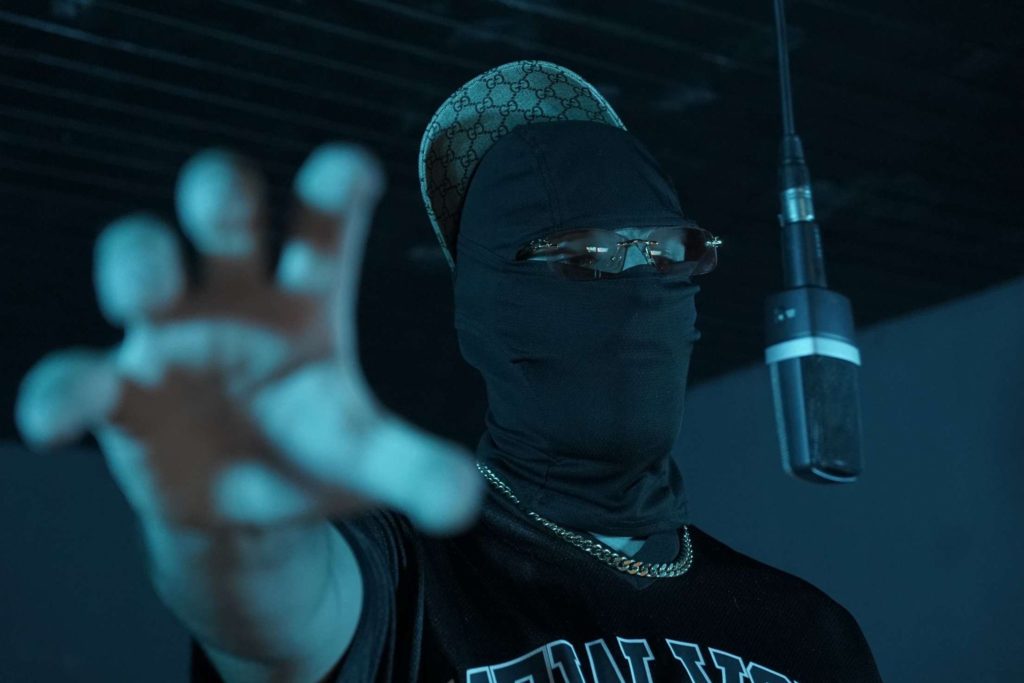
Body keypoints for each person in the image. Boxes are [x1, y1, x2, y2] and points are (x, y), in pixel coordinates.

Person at [15, 61, 883, 682]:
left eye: (667, 253)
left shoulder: (811, 635)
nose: (636, 292)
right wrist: (231, 540)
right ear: (486, 310)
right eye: (583, 256)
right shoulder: (401, 570)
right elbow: (280, 618)